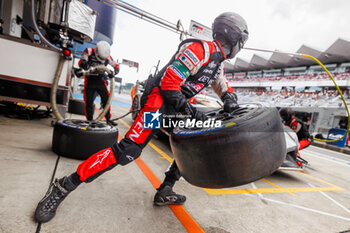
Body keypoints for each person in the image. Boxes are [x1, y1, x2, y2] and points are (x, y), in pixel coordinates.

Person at [34, 12, 249, 223]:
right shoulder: (200, 49)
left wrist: (230, 99)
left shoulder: (218, 62)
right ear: (234, 37)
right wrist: (190, 111)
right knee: (129, 150)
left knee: (191, 143)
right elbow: (169, 85)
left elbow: (222, 85)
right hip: (159, 102)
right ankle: (63, 185)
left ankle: (166, 189)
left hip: (174, 106)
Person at [76, 40, 119, 126]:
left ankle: (108, 119)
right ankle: (89, 120)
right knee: (88, 101)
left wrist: (114, 72)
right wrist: (83, 64)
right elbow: (81, 62)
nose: (101, 60)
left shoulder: (108, 57)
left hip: (101, 80)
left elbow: (116, 66)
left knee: (106, 100)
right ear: (96, 51)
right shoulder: (89, 51)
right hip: (90, 80)